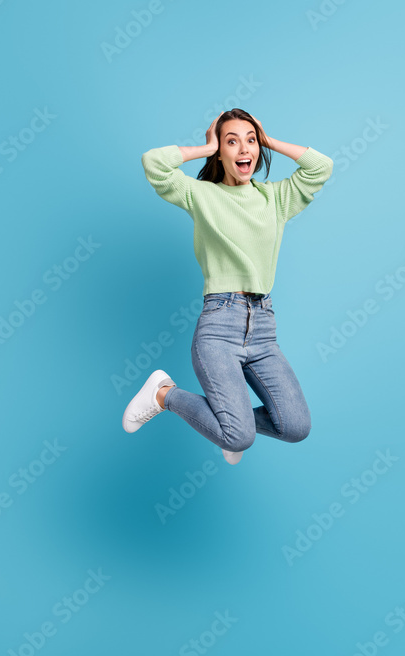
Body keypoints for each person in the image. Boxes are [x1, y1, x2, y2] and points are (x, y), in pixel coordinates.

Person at [122, 108, 333, 465]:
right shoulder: (202, 196)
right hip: (220, 325)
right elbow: (153, 163)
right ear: (221, 151)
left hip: (264, 328)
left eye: (250, 140)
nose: (243, 149)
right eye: (231, 142)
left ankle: (228, 424)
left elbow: (320, 167)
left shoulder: (276, 199)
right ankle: (163, 394)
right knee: (239, 436)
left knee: (296, 426)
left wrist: (269, 140)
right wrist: (204, 148)